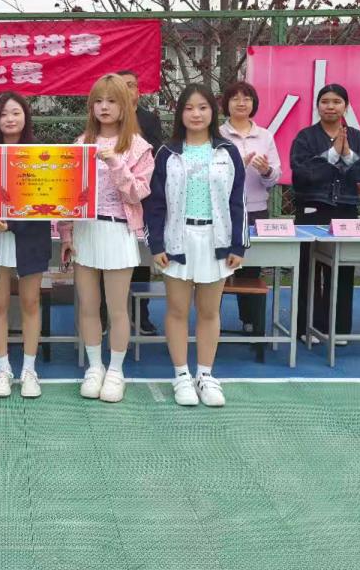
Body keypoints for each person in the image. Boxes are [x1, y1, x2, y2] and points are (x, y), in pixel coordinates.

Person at [146, 84, 248, 407]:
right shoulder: (167, 153)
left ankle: (205, 375)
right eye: (189, 108)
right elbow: (155, 204)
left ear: (212, 112)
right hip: (178, 239)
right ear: (180, 113)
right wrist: (156, 244)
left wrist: (238, 245)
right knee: (177, 310)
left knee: (209, 311)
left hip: (216, 240)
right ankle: (181, 375)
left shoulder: (228, 152)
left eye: (203, 107)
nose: (196, 114)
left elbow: (238, 201)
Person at [58, 74, 154, 403]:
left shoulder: (139, 147)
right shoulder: (80, 143)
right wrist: (66, 233)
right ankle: (94, 367)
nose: (104, 107)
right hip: (85, 231)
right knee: (88, 306)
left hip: (118, 230)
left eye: (112, 101)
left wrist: (115, 163)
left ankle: (115, 370)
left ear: (125, 105)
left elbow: (137, 193)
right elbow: (65, 194)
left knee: (117, 308)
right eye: (98, 101)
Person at [0, 93, 51, 398]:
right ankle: (3, 369)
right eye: (3, 114)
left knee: (30, 302)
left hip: (29, 238)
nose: (9, 119)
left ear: (25, 116)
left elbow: (44, 202)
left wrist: (13, 223)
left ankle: (29, 370)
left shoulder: (39, 152)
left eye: (15, 113)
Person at [290, 83, 360, 339]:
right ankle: (306, 327)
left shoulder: (356, 137)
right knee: (308, 270)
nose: (330, 106)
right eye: (325, 101)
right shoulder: (305, 137)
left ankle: (338, 330)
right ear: (317, 106)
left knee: (342, 270)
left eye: (336, 102)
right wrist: (331, 154)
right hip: (311, 211)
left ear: (345, 107)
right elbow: (302, 174)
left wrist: (347, 153)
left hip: (345, 211)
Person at [219, 81, 282, 343]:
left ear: (254, 103)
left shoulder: (265, 136)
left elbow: (275, 177)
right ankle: (212, 322)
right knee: (219, 268)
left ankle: (250, 323)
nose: (241, 103)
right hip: (223, 212)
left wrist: (266, 170)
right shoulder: (217, 135)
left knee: (251, 270)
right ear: (226, 104)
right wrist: (236, 167)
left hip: (256, 211)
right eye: (235, 98)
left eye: (246, 98)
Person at [115, 69, 163, 336]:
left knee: (139, 260)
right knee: (108, 264)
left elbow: (154, 155)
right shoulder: (105, 118)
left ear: (138, 91)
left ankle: (140, 315)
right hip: (111, 201)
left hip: (142, 196)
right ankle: (105, 315)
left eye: (131, 85)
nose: (126, 89)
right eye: (121, 85)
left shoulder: (149, 119)